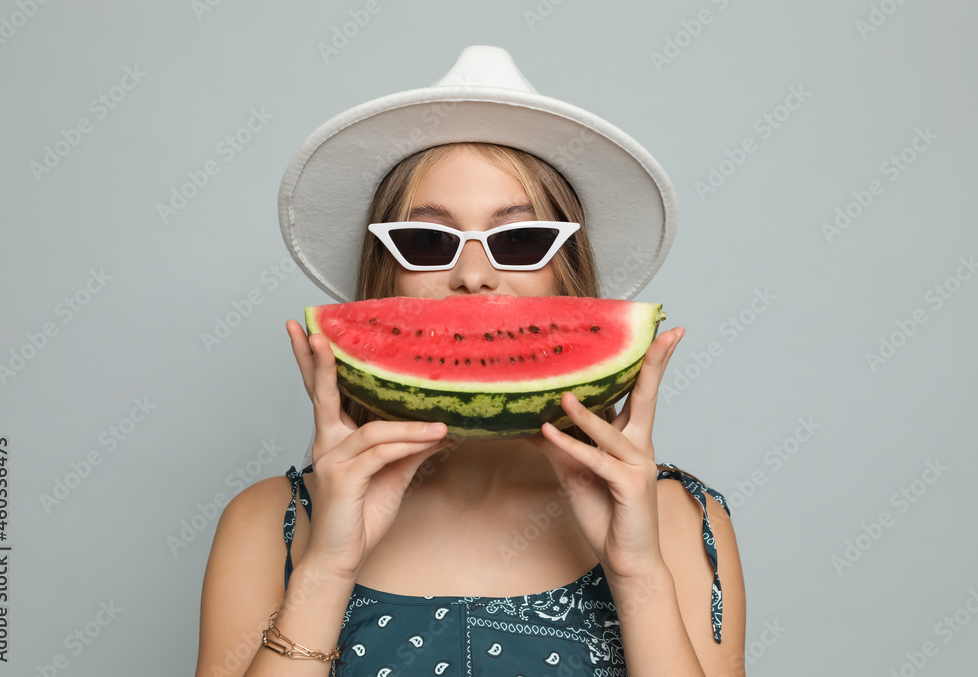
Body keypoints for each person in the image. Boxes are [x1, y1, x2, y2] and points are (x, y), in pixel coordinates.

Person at [195, 46, 745, 677]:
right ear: (384, 280)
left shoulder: (674, 520)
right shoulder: (271, 525)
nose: (474, 276)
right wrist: (328, 568)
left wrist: (637, 572)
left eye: (523, 239)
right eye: (427, 240)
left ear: (572, 281)